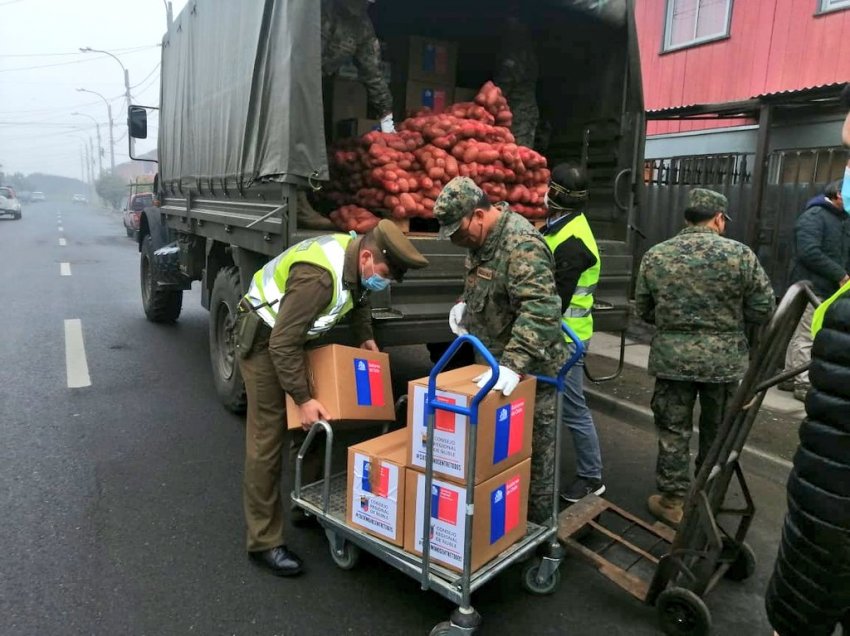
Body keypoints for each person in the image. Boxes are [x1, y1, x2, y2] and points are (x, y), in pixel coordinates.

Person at [237, 220, 428, 576]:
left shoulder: (355, 260)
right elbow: (281, 343)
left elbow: (359, 301)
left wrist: (365, 336)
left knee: (314, 425)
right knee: (268, 437)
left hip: (294, 339)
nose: (385, 282)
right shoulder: (318, 278)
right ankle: (263, 541)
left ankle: (305, 502)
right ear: (368, 256)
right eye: (386, 274)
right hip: (265, 342)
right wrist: (302, 397)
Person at [635, 188, 775, 528]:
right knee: (718, 431)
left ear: (687, 217)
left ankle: (672, 501)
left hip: (672, 361)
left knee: (673, 431)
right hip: (723, 364)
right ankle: (707, 497)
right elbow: (763, 307)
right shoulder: (740, 255)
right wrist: (726, 323)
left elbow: (644, 309)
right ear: (718, 218)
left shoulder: (656, 255)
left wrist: (675, 326)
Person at [436, 176, 567, 524]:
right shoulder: (480, 241)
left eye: (459, 232)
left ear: (478, 214)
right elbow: (483, 281)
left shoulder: (521, 244)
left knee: (534, 453)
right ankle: (497, 526)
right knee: (496, 452)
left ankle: (539, 531)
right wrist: (464, 302)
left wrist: (513, 364)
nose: (457, 240)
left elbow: (541, 310)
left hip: (529, 370)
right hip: (494, 365)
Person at [765, 281, 850, 636]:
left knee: (806, 597)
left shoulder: (841, 305)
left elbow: (816, 329)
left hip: (828, 490)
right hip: (830, 483)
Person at [539, 163, 606, 502]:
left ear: (556, 195)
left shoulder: (573, 240)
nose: (543, 191)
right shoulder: (557, 227)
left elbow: (555, 300)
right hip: (560, 335)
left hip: (567, 339)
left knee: (574, 409)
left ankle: (591, 477)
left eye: (549, 187)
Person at [781, 179, 850, 401]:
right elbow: (808, 251)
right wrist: (839, 274)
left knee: (803, 333)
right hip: (813, 286)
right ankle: (802, 383)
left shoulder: (841, 220)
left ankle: (789, 377)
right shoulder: (815, 216)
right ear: (839, 194)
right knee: (807, 334)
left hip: (825, 287)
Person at [321, 0, 394, 133]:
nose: (360, 6)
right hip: (290, 77)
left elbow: (373, 73)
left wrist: (386, 116)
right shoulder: (319, 8)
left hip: (319, 83)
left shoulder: (362, 27)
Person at [494, 16, 539, 148]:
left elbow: (503, 86)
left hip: (520, 113)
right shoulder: (524, 52)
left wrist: (485, 104)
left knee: (519, 151)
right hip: (518, 111)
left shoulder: (517, 55)